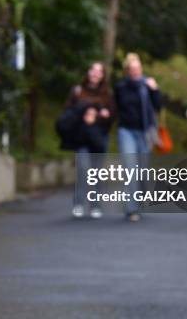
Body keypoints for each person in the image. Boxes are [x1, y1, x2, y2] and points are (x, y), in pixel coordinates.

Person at [114, 53, 161, 222]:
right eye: (132, 69)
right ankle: (131, 209)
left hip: (145, 132)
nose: (135, 71)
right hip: (127, 131)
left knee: (142, 170)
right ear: (127, 70)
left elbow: (158, 106)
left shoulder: (147, 85)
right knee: (130, 168)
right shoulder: (121, 87)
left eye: (138, 68)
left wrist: (155, 90)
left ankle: (139, 201)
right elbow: (116, 107)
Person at [64, 62, 114, 219]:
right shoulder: (78, 91)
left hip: (99, 138)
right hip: (82, 137)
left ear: (103, 76)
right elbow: (68, 113)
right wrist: (83, 115)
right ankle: (79, 203)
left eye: (99, 71)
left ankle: (95, 205)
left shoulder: (107, 94)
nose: (95, 74)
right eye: (93, 70)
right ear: (88, 72)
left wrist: (100, 116)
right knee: (83, 169)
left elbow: (112, 115)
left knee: (96, 173)